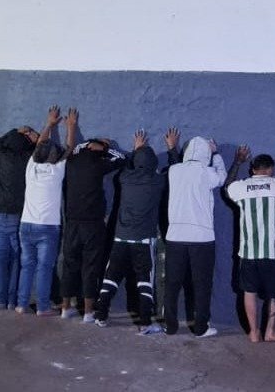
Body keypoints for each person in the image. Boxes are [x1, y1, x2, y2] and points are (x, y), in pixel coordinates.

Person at [94, 128, 180, 332]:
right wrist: (172, 148)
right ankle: (145, 323)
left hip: (120, 238)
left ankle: (101, 315)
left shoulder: (124, 178)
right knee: (144, 281)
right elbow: (176, 170)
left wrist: (136, 149)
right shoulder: (158, 181)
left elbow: (128, 165)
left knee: (110, 277)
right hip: (143, 241)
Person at [225, 150, 275, 343]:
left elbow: (227, 188)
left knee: (249, 292)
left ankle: (253, 332)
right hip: (272, 252)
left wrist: (237, 162)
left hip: (248, 252)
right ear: (270, 169)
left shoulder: (241, 187)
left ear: (253, 169)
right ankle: (270, 332)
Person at [61, 109, 127, 322]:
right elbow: (122, 158)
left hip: (71, 222)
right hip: (93, 224)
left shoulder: (71, 161)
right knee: (91, 266)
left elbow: (72, 146)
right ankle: (88, 312)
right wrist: (106, 147)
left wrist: (73, 129)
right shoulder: (100, 164)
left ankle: (65, 308)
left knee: (70, 264)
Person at [164, 134, 229, 337]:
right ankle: (201, 327)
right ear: (205, 154)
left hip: (175, 236)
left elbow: (181, 165)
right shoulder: (206, 172)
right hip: (202, 238)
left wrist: (172, 148)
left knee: (172, 284)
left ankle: (170, 326)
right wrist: (216, 153)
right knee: (201, 285)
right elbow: (222, 177)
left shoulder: (174, 171)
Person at [19, 106, 70, 314]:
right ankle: (42, 306)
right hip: (48, 228)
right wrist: (71, 126)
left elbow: (40, 144)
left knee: (27, 267)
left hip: (26, 225)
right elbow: (69, 147)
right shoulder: (57, 172)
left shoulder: (31, 168)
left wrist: (49, 123)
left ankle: (21, 304)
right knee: (44, 268)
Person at [0, 122, 40, 311]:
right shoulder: (28, 159)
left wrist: (15, 130)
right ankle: (13, 300)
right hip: (17, 214)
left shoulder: (2, 155)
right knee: (17, 260)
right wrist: (34, 139)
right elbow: (41, 150)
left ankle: (1, 299)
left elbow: (1, 142)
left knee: (1, 260)